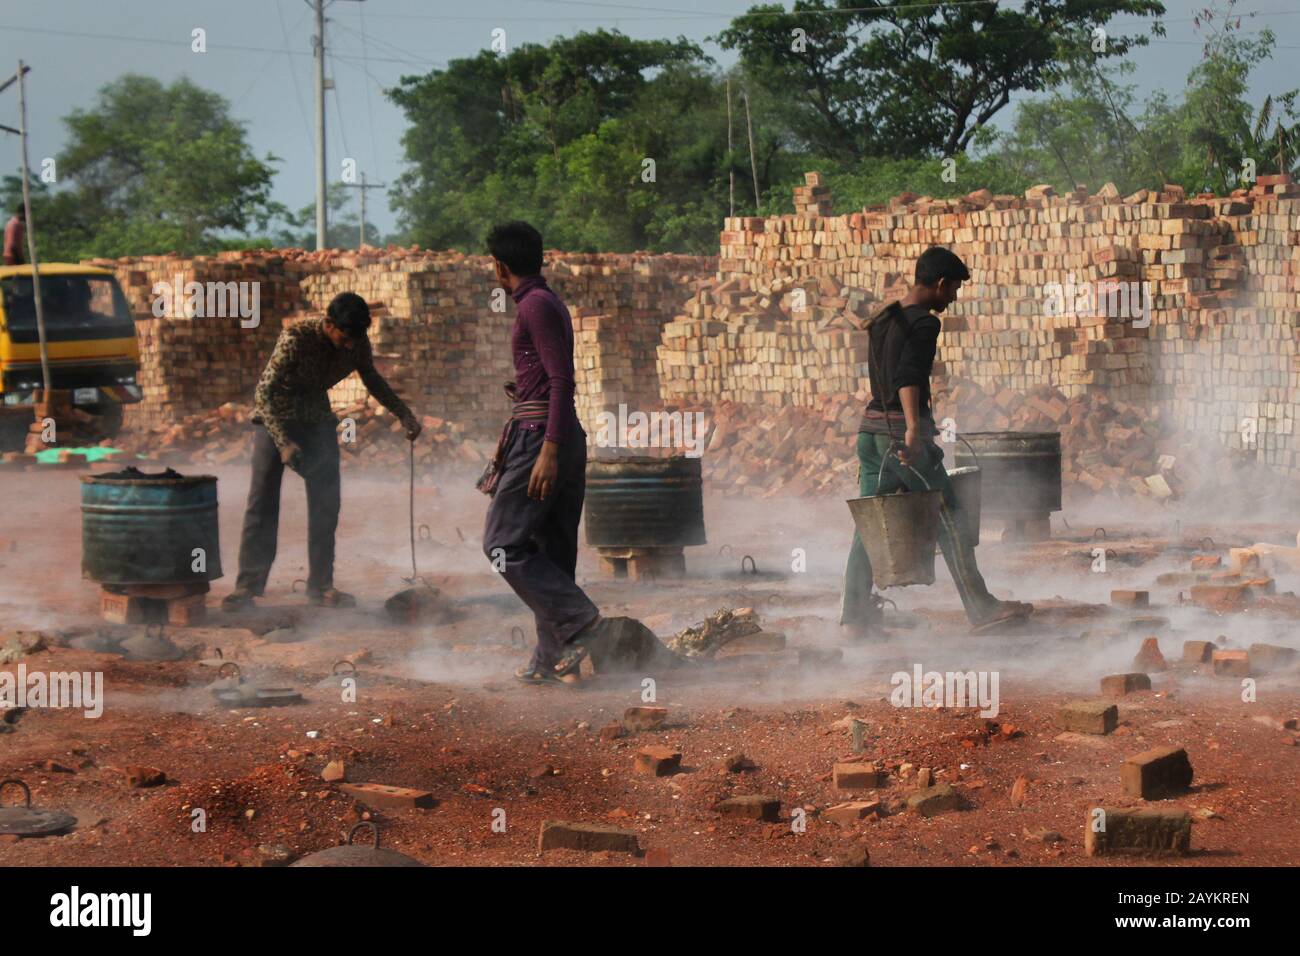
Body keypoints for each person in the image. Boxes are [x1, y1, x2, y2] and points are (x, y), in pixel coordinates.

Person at [841, 246, 1032, 638]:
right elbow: (908, 377)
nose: (954, 298)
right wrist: (914, 430)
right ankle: (981, 608)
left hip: (871, 433)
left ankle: (854, 618)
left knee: (870, 527)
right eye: (955, 289)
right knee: (951, 516)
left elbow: (886, 377)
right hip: (901, 438)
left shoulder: (885, 318)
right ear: (941, 284)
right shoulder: (924, 324)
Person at [479, 221, 623, 685]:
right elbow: (550, 378)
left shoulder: (535, 307)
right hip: (557, 432)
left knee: (502, 543)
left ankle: (582, 622)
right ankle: (551, 659)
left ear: (500, 266)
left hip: (541, 435)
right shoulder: (546, 302)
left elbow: (561, 380)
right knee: (551, 550)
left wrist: (548, 450)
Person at [223, 292, 421, 610]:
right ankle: (247, 587)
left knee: (326, 502)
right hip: (276, 417)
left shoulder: (356, 340)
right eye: (343, 337)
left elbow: (372, 378)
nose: (349, 346)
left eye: (355, 339)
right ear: (328, 324)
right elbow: (264, 393)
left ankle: (321, 586)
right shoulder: (295, 338)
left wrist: (403, 413)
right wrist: (283, 442)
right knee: (262, 502)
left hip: (316, 418)